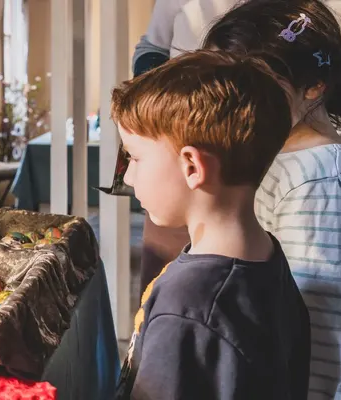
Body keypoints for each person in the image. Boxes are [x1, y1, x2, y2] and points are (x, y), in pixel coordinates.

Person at [203, 1, 341, 398]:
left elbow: (321, 331)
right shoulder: (277, 156)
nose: (229, 99)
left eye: (250, 83)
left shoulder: (318, 180)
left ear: (313, 87)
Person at [112, 50, 309, 399]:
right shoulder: (266, 258)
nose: (127, 175)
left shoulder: (187, 307)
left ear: (192, 166)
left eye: (135, 157)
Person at [129, 0, 243, 295]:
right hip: (177, 142)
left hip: (243, 144)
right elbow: (151, 48)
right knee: (163, 278)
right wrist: (165, 101)